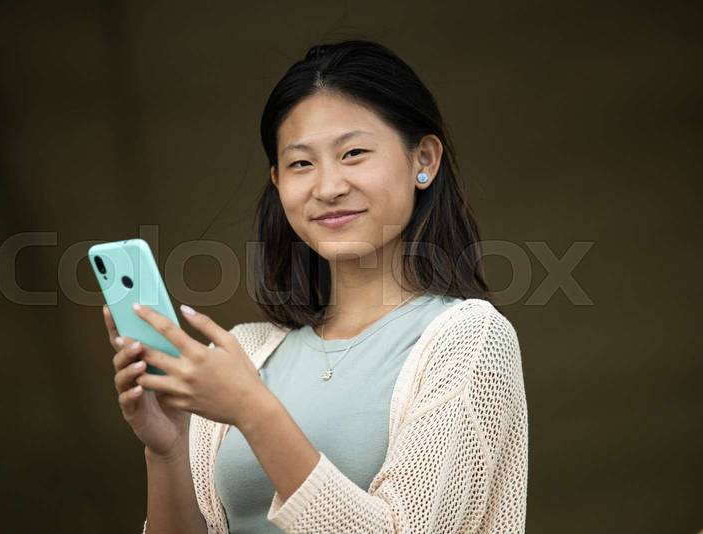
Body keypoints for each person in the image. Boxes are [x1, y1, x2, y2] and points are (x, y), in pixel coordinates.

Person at [106, 39, 527, 533]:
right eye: (301, 163)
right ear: (278, 182)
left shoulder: (471, 340)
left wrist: (252, 409)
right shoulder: (247, 351)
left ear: (425, 160)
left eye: (353, 153)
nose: (327, 187)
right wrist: (169, 448)